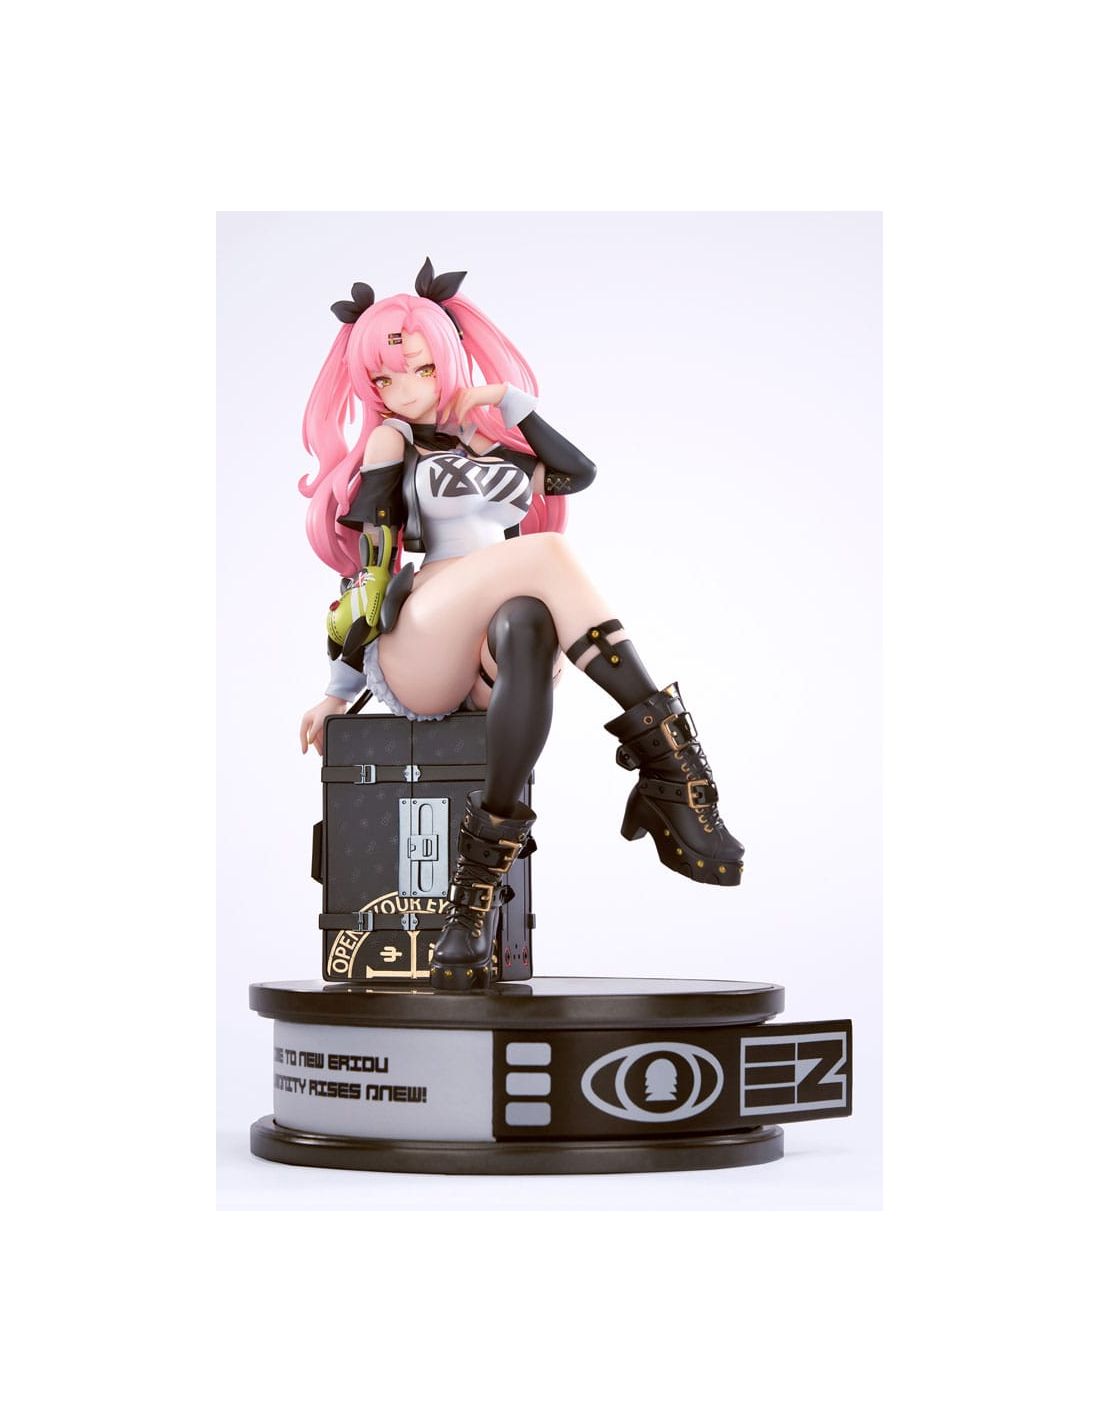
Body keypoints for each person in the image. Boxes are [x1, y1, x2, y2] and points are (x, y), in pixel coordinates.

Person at [298, 258, 743, 991]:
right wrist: (336, 688)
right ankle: (674, 772)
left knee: (532, 622)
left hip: (491, 645)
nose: (402, 388)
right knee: (547, 558)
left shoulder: (490, 447)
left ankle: (471, 903)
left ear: (447, 360)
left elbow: (576, 472)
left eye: (418, 368)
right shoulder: (392, 444)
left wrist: (513, 404)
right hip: (424, 636)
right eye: (383, 378)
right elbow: (373, 566)